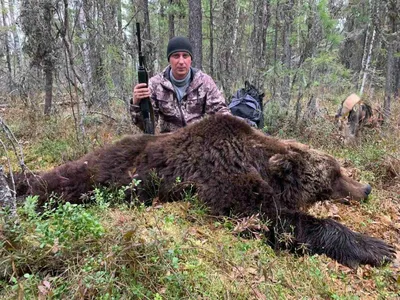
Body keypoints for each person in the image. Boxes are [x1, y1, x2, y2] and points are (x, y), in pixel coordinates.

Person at [131, 36, 230, 133]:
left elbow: (221, 113)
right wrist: (136, 104)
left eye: (185, 56)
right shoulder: (155, 84)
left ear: (191, 59)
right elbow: (147, 127)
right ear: (169, 59)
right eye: (176, 56)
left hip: (197, 141)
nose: (181, 61)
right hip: (169, 142)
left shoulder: (204, 82)